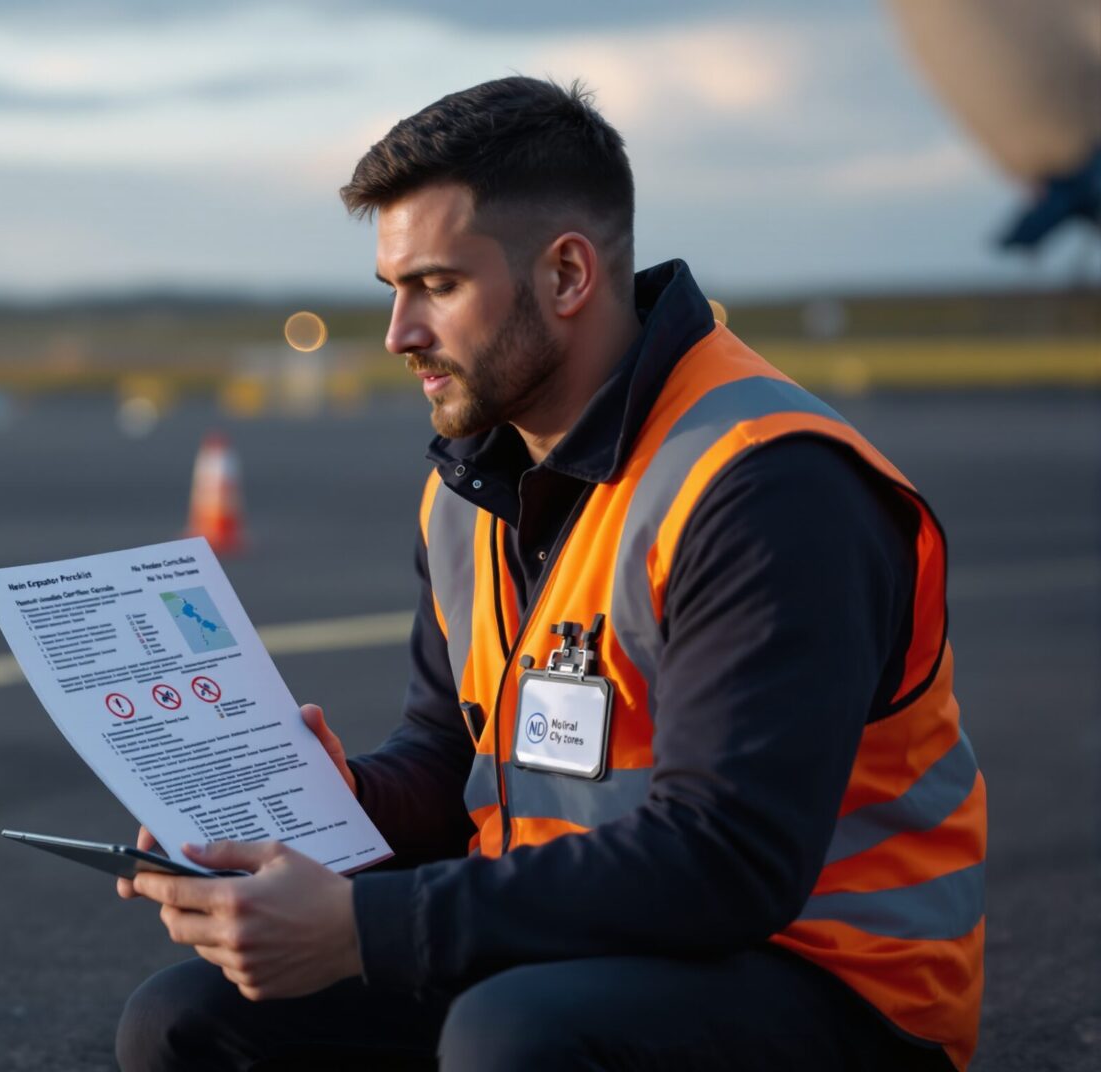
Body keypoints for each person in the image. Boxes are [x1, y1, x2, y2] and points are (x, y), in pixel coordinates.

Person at [115, 77, 984, 1071]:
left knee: (516, 1035)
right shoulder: (470, 488)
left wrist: (367, 924)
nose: (399, 333)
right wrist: (328, 805)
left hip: (828, 989)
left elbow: (730, 862)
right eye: (392, 290)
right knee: (188, 1015)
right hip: (573, 947)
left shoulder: (766, 484)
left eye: (436, 285)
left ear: (567, 274)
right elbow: (454, 762)